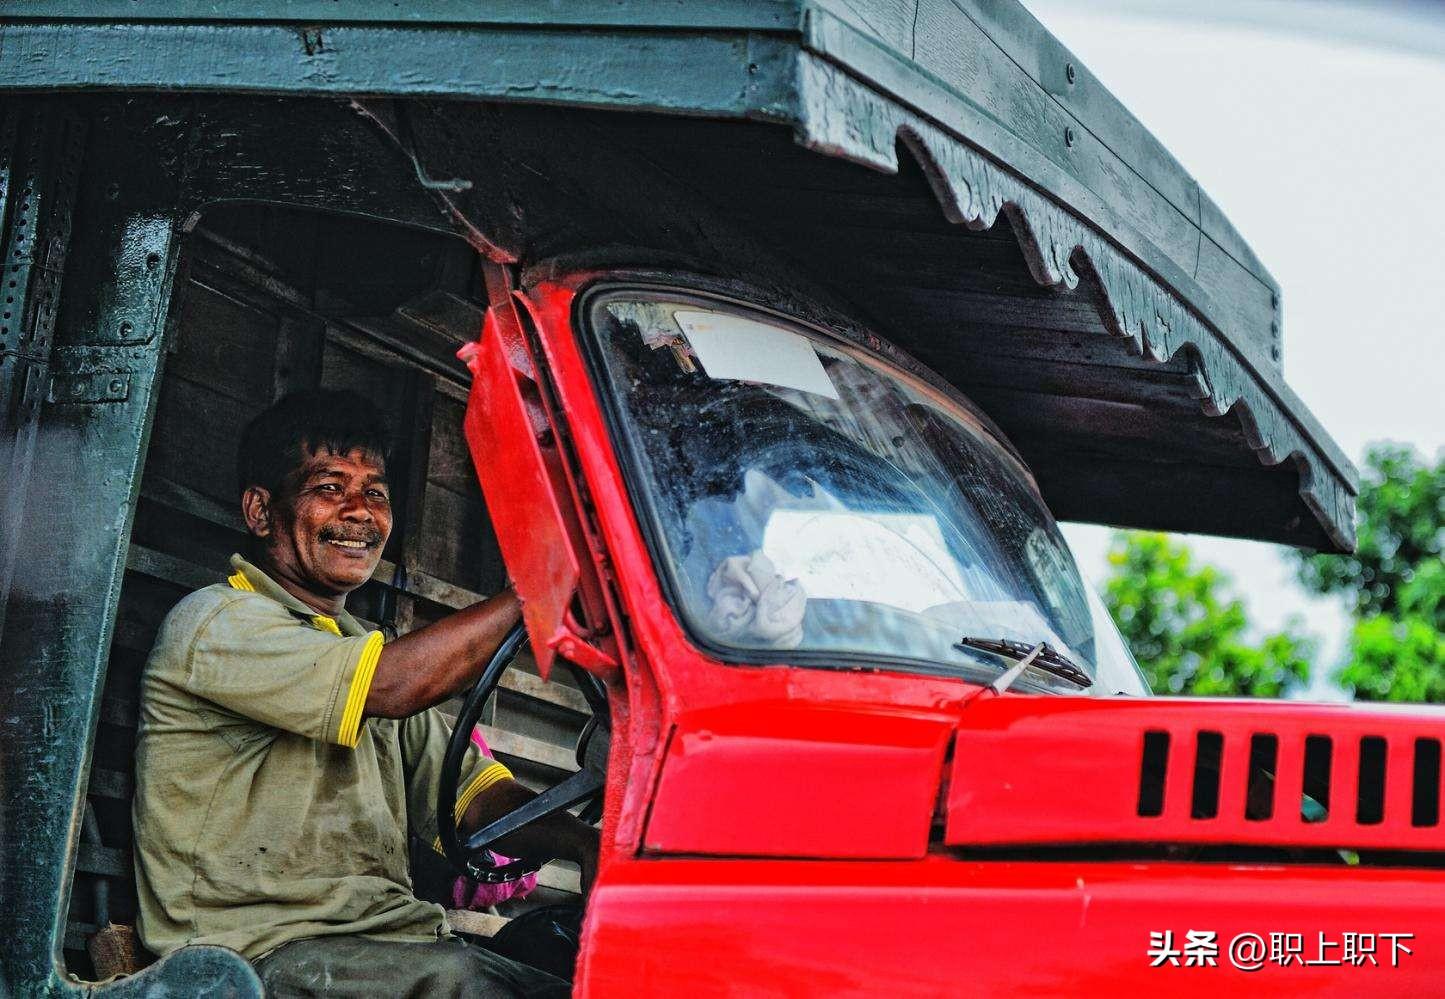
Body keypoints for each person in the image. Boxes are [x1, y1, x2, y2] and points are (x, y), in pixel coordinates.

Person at [131, 389, 596, 997]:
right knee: (471, 985)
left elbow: (475, 802)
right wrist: (541, 584)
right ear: (261, 511)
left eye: (374, 493)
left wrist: (588, 844)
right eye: (329, 489)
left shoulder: (363, 646)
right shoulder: (217, 622)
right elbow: (392, 687)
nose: (359, 513)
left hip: (392, 945)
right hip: (255, 955)